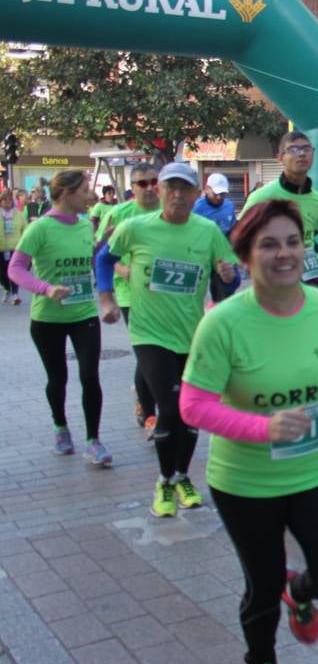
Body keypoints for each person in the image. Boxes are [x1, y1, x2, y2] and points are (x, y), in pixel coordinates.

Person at [180, 199, 318, 664]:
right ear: (246, 256)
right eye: (268, 245)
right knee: (260, 584)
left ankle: (302, 589)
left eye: (292, 242)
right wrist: (262, 427)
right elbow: (193, 406)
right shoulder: (223, 324)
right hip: (246, 481)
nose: (284, 254)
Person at [96, 162, 239, 517]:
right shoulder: (134, 227)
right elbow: (103, 259)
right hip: (149, 334)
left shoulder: (207, 232)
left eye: (183, 188)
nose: (176, 194)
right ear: (159, 192)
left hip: (192, 336)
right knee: (173, 408)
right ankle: (163, 480)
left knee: (191, 414)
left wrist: (228, 275)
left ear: (195, 194)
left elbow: (229, 282)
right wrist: (106, 298)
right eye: (169, 187)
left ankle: (181, 477)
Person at [7, 170, 111, 466]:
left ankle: (93, 440)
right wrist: (46, 288)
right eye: (84, 191)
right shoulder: (40, 228)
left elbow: (91, 260)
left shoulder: (84, 226)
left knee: (90, 375)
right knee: (58, 377)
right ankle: (61, 427)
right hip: (48, 318)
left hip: (84, 313)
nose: (89, 196)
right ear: (65, 194)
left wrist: (105, 246)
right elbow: (16, 269)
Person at [240, 131, 318, 289]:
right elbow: (238, 239)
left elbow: (307, 242)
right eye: (293, 150)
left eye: (306, 149)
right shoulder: (262, 197)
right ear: (280, 158)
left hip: (311, 286)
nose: (302, 154)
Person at [98, 162, 160, 435]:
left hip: (163, 294)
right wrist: (120, 269)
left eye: (153, 181)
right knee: (146, 352)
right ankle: (148, 413)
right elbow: (100, 252)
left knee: (161, 351)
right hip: (129, 294)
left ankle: (146, 400)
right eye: (142, 184)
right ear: (132, 188)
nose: (149, 188)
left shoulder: (170, 211)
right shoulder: (119, 213)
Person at [194, 173, 238, 304]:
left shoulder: (229, 206)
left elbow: (232, 227)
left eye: (223, 194)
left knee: (225, 288)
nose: (219, 197)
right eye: (216, 193)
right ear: (207, 189)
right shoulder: (197, 207)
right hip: (201, 252)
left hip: (222, 253)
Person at [1, 188, 30, 305]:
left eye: (9, 200)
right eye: (5, 200)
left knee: (13, 271)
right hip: (1, 248)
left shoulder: (18, 214)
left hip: (15, 248)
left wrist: (25, 244)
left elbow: (26, 229)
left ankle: (15, 294)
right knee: (2, 274)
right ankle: (7, 288)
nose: (8, 202)